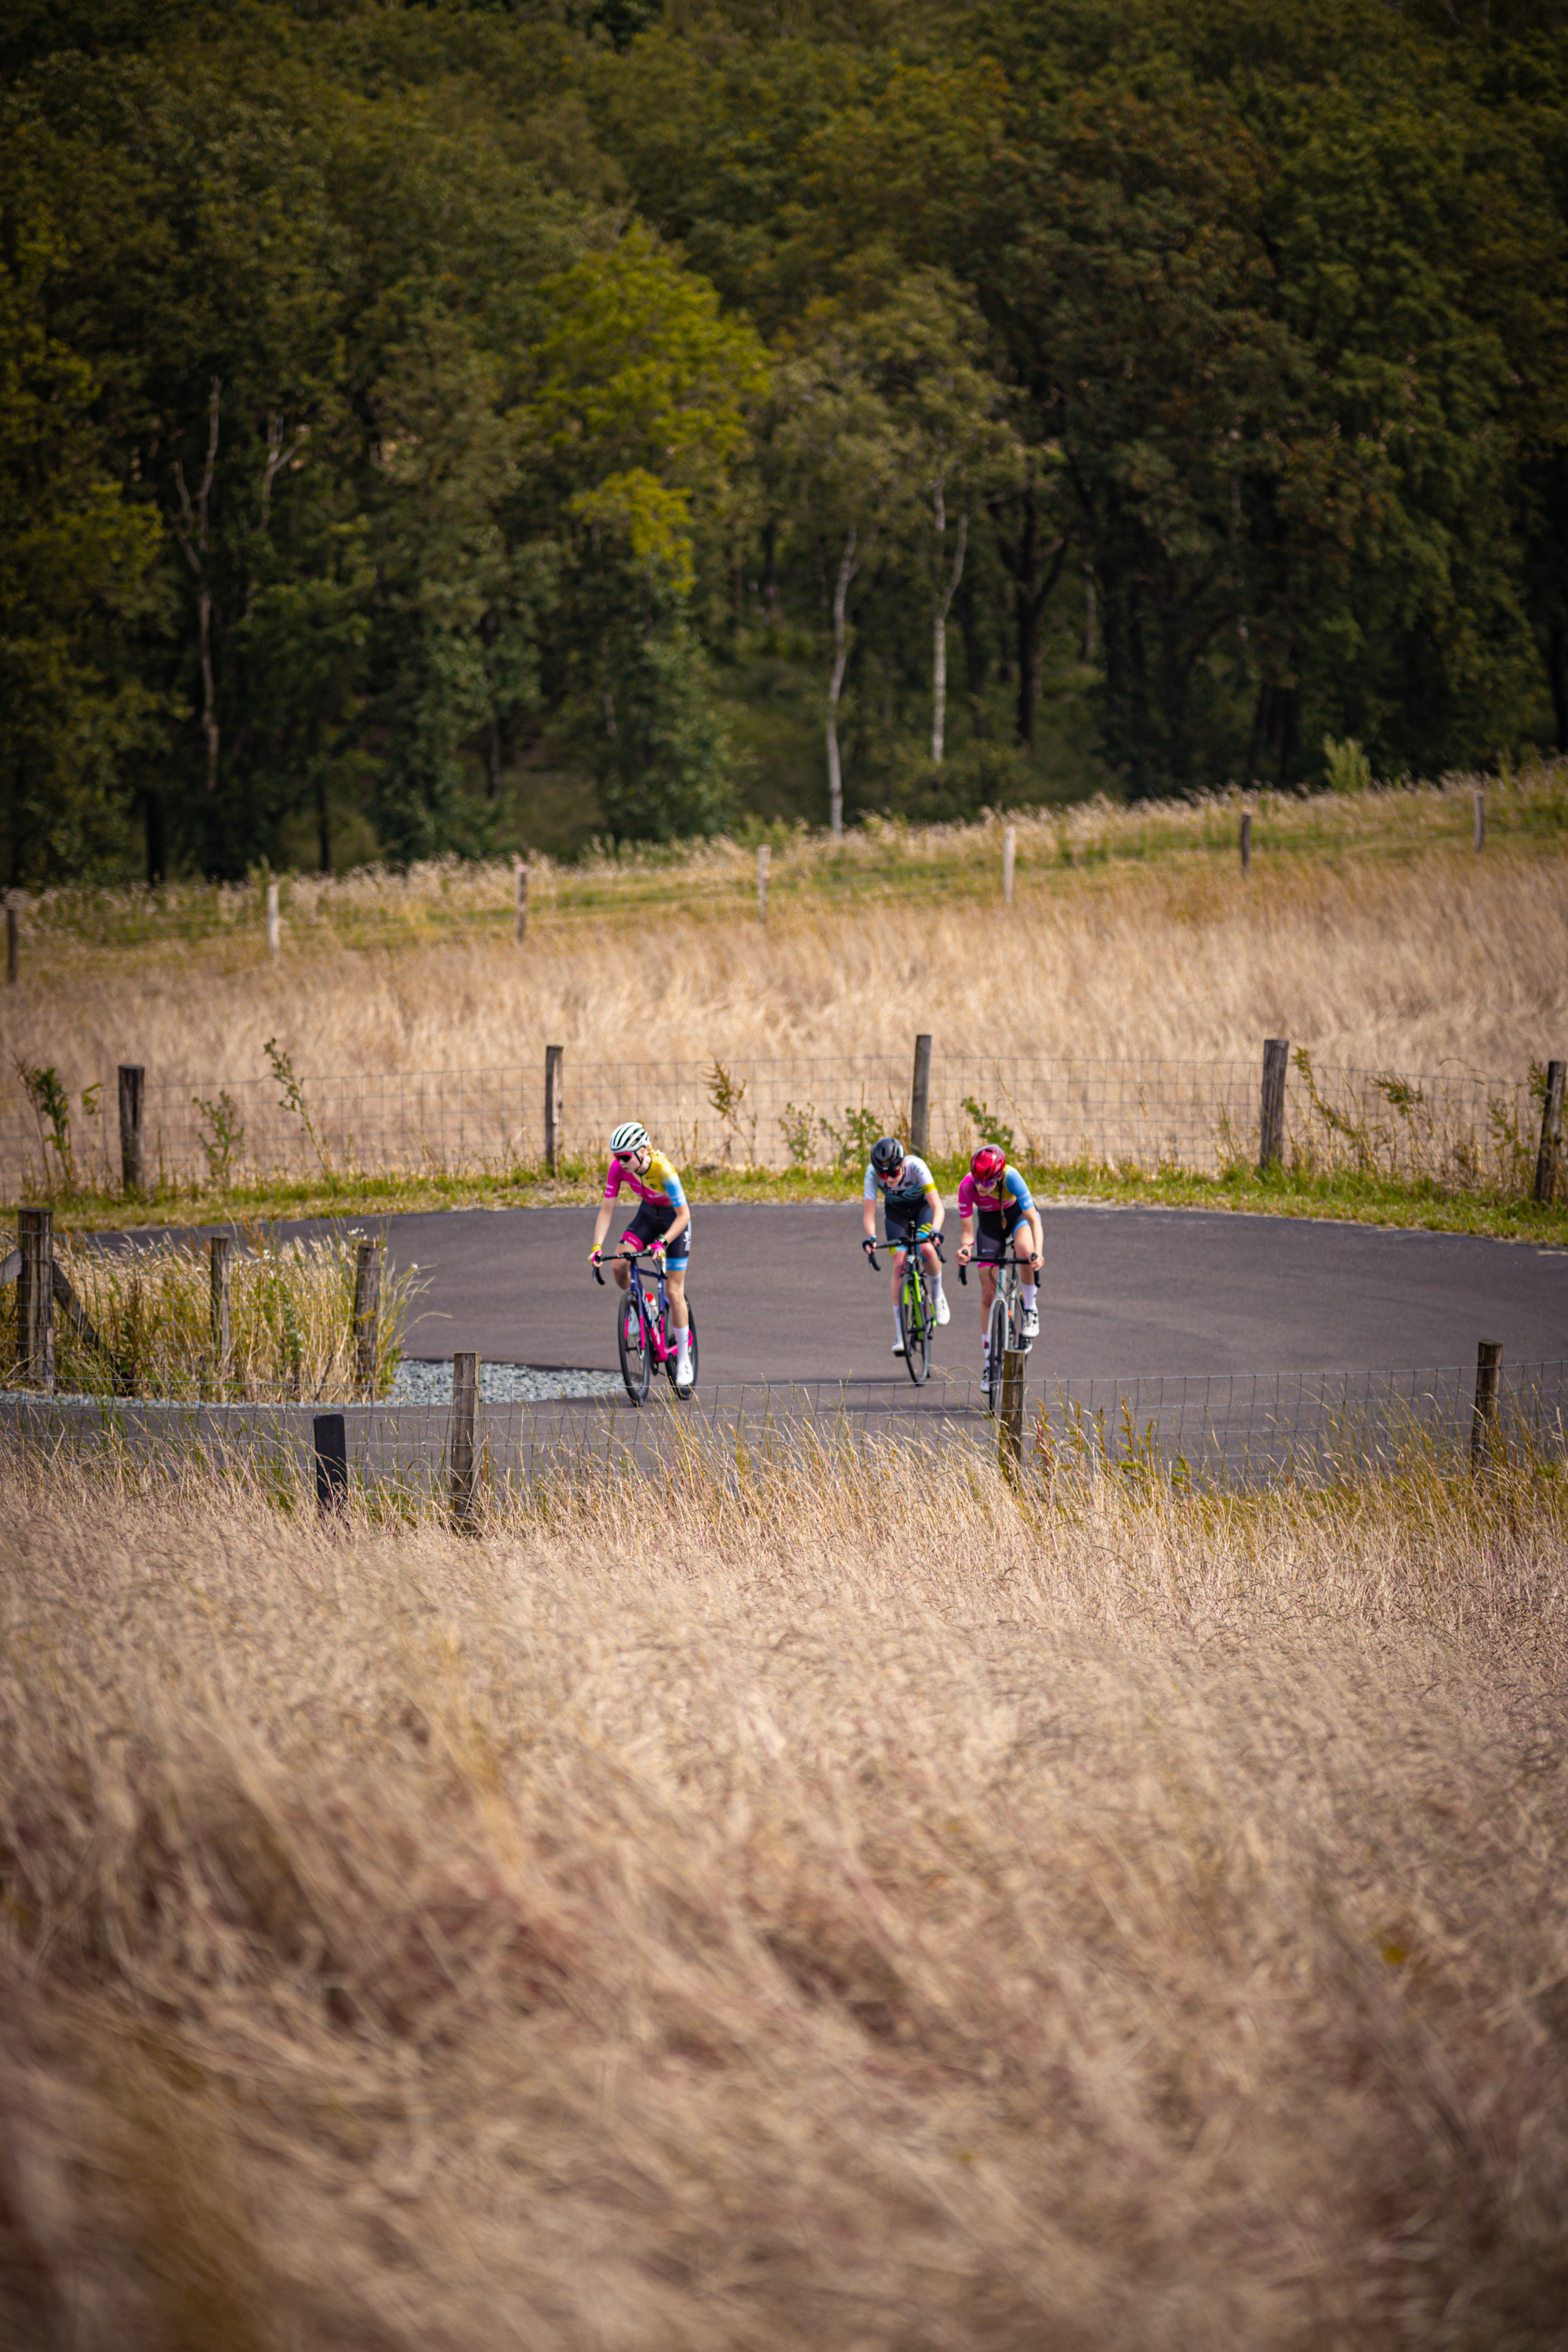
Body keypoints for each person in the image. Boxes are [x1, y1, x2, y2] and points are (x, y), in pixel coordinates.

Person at [590, 1120, 694, 1394]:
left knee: (673, 1290)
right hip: (648, 1217)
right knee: (619, 1266)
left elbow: (685, 1215)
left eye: (624, 1157)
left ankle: (683, 1359)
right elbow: (606, 1209)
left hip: (674, 1224)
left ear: (641, 1151)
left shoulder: (664, 1170)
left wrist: (663, 1242)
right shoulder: (618, 1169)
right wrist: (597, 1246)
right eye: (616, 1157)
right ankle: (641, 1303)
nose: (619, 1163)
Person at [955, 1144, 1043, 1378]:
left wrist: (1038, 1254)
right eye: (978, 1181)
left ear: (999, 1176)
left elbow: (1034, 1221)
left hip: (1017, 1218)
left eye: (988, 1183)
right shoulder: (966, 1187)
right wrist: (964, 1249)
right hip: (990, 1226)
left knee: (1025, 1250)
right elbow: (967, 1232)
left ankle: (1030, 1308)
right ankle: (988, 1364)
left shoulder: (1011, 1177)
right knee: (988, 1293)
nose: (982, 1188)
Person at [861, 1134, 948, 1355]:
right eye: (883, 1174)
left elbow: (938, 1207)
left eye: (893, 1172)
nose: (888, 1179)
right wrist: (871, 1237)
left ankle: (937, 1295)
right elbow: (869, 1214)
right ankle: (900, 1334)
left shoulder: (916, 1167)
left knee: (926, 1248)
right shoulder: (872, 1174)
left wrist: (935, 1231)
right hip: (896, 1214)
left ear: (902, 1164)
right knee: (899, 1264)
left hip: (922, 1210)